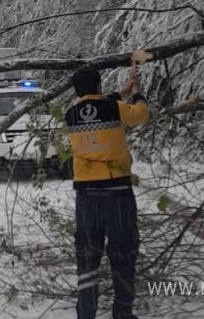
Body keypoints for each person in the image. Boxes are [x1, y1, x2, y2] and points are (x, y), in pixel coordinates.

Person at [65, 64, 148, 319]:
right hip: (117, 194)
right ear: (99, 86)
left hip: (87, 198)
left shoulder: (71, 114)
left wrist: (119, 92)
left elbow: (97, 108)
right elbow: (140, 115)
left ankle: (86, 314)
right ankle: (122, 314)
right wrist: (136, 92)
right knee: (123, 255)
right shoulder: (114, 108)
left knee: (87, 257)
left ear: (78, 91)